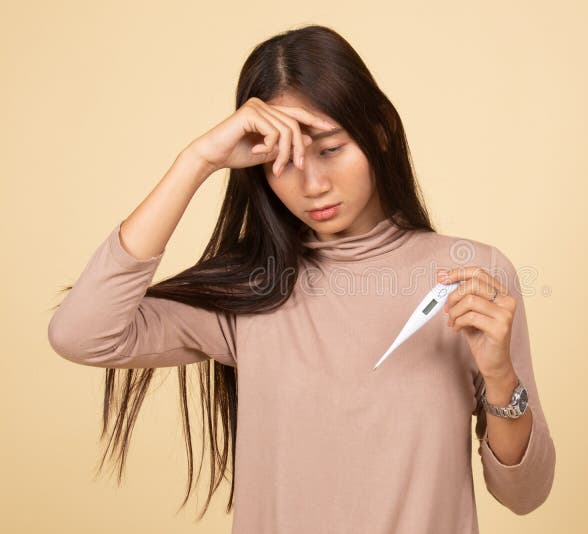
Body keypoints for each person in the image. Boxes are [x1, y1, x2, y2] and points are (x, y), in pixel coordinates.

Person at [47, 24, 555, 534]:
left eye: (331, 149)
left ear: (379, 131)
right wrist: (196, 161)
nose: (313, 184)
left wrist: (500, 377)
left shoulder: (470, 277)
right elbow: (82, 333)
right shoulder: (251, 291)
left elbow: (524, 495)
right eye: (283, 160)